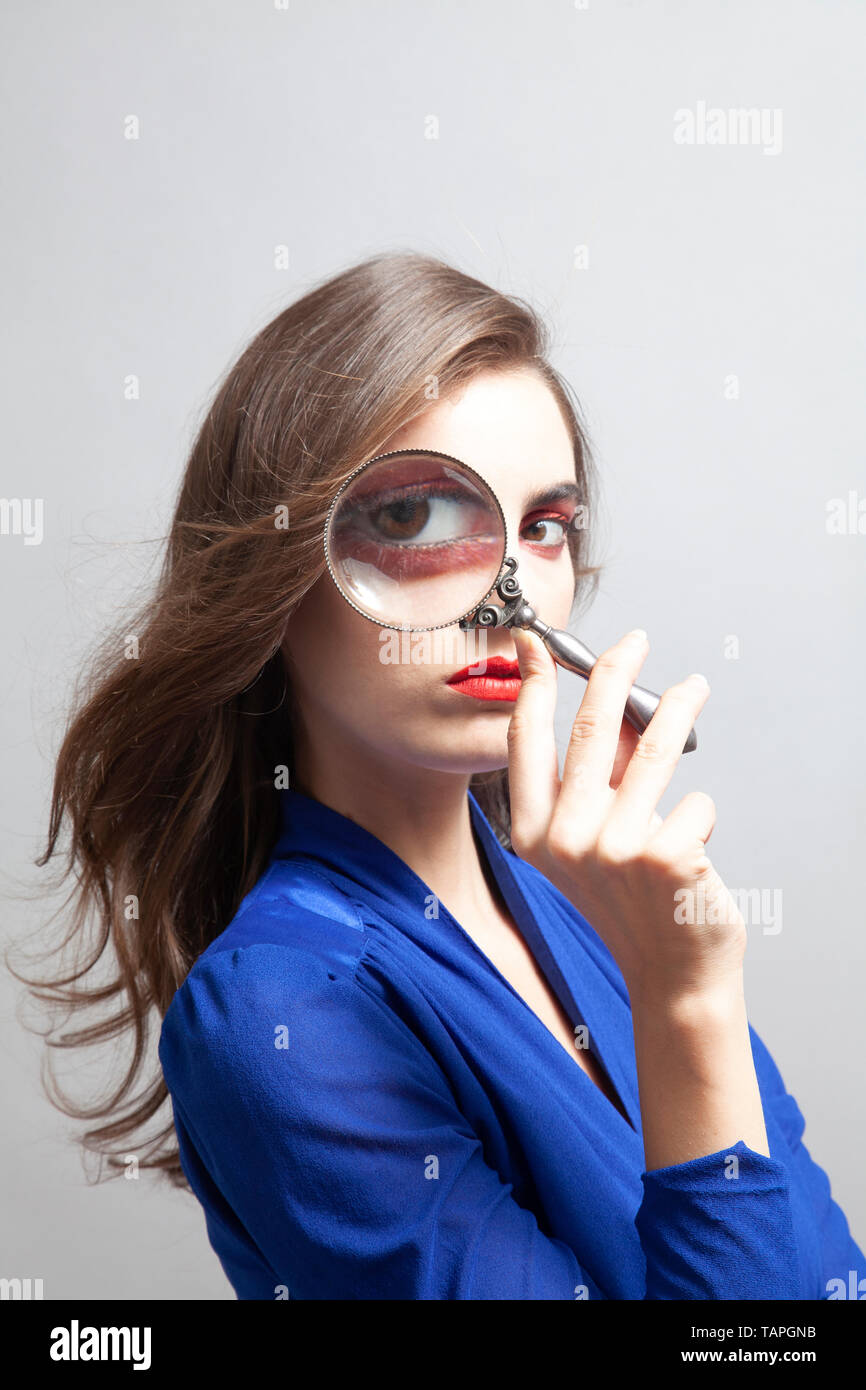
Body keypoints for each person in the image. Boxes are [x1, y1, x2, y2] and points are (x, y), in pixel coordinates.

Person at [27, 252, 865, 1299]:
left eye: (543, 527)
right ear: (274, 577)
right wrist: (688, 1001)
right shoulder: (278, 1008)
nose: (506, 598)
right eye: (413, 517)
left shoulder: (604, 900)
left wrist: (672, 980)